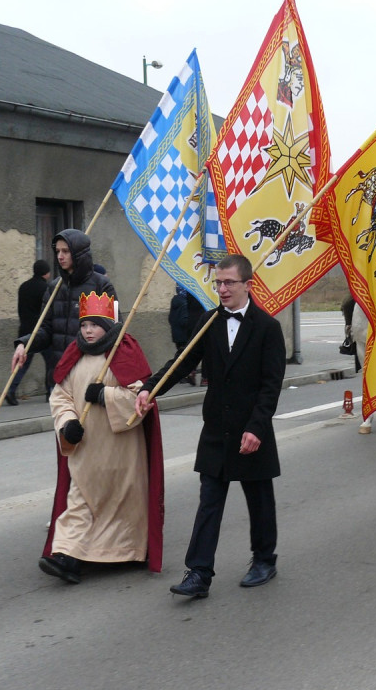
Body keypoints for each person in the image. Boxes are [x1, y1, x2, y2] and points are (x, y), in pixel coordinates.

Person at [135, 254, 286, 599]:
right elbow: (182, 361)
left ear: (249, 285)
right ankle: (199, 573)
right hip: (218, 429)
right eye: (218, 283)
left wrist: (257, 428)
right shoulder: (209, 321)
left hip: (251, 429)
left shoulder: (268, 328)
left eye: (229, 282)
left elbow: (271, 384)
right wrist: (150, 388)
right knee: (209, 502)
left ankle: (264, 559)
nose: (222, 289)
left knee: (259, 500)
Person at [38, 292, 164, 583]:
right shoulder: (74, 354)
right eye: (84, 325)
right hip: (87, 448)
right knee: (79, 500)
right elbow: (60, 396)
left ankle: (125, 550)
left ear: (107, 327)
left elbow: (142, 398)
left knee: (118, 504)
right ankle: (66, 557)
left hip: (121, 451)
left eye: (94, 325)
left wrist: (106, 395)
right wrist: (68, 424)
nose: (88, 331)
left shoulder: (125, 350)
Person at [11, 229, 115, 391]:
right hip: (60, 375)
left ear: (79, 253)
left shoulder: (100, 285)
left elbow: (114, 329)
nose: (60, 256)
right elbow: (46, 330)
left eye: (66, 251)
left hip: (90, 376)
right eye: (58, 251)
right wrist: (25, 344)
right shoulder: (54, 288)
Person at [6, 259, 52, 405]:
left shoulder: (23, 287)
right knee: (51, 362)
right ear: (46, 272)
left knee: (22, 363)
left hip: (25, 330)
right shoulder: (46, 288)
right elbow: (48, 311)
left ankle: (10, 390)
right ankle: (50, 392)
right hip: (41, 332)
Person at [168, 285, 196, 385]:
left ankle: (183, 377)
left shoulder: (174, 301)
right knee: (187, 356)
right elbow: (184, 320)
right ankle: (189, 373)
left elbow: (170, 318)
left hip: (176, 335)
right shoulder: (184, 302)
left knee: (180, 356)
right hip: (184, 335)